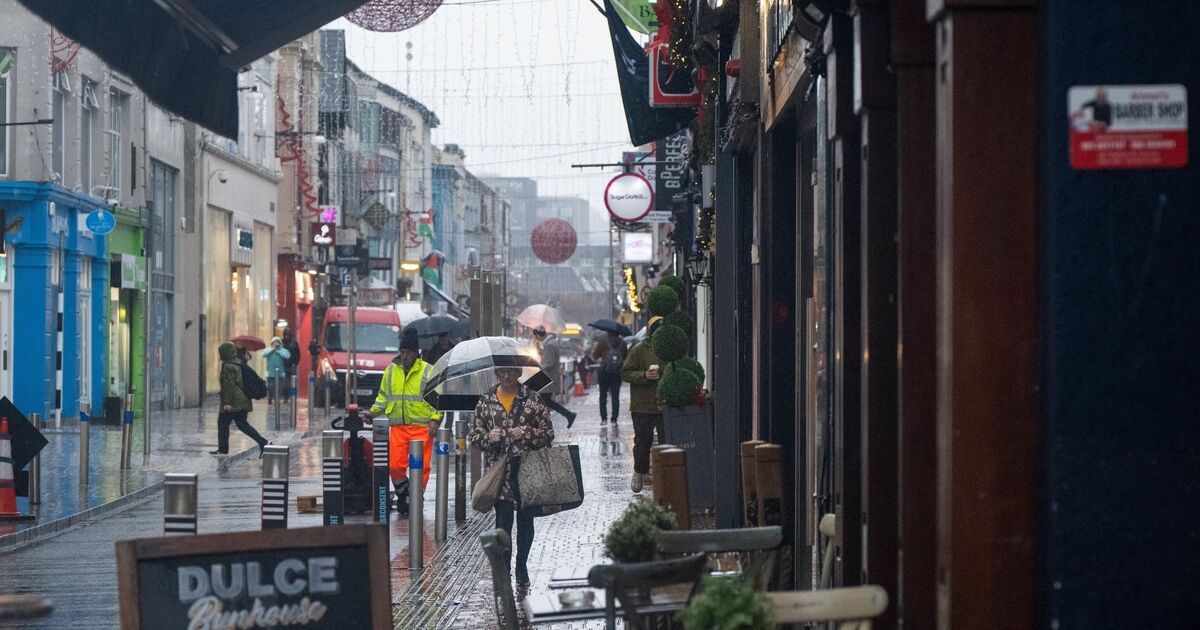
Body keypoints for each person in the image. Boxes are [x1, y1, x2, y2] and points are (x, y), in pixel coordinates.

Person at [467, 366, 555, 587]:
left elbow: (548, 434)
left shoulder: (533, 399)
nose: (506, 377)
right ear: (497, 374)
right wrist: (489, 437)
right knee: (503, 523)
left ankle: (521, 565)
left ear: (518, 373)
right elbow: (474, 437)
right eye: (502, 372)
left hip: (527, 471)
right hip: (500, 474)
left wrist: (525, 433)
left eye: (511, 372)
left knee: (526, 522)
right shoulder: (486, 400)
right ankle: (504, 570)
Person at [363, 328, 442, 516]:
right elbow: (383, 397)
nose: (405, 356)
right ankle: (405, 493)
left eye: (408, 353)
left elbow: (438, 398)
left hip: (421, 428)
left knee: (421, 468)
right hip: (398, 427)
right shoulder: (391, 372)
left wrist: (435, 419)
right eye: (403, 352)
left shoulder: (428, 371)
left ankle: (413, 498)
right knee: (395, 466)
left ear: (416, 353)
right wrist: (373, 413)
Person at [621, 316, 664, 493]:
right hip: (642, 404)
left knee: (667, 440)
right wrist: (644, 376)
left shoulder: (669, 350)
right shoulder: (638, 350)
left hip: (664, 403)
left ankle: (666, 474)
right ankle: (639, 471)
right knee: (642, 441)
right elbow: (625, 372)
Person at [212, 341, 269, 456]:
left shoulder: (228, 365)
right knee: (242, 424)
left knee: (222, 423)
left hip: (234, 401)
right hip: (243, 399)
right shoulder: (239, 363)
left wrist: (227, 402)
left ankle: (223, 449)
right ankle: (263, 442)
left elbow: (230, 385)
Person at [592, 331, 627, 425]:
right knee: (615, 396)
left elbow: (595, 355)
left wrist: (603, 355)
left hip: (604, 372)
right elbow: (625, 357)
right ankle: (614, 419)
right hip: (617, 373)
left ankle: (604, 418)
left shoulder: (603, 341)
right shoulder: (623, 342)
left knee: (603, 395)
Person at [532, 326, 561, 396]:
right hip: (551, 379)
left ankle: (562, 408)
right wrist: (539, 350)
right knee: (548, 403)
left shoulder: (549, 345)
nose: (536, 339)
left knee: (547, 402)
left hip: (549, 379)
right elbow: (548, 356)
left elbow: (548, 364)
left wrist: (537, 368)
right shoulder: (551, 343)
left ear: (539, 335)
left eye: (536, 336)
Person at [262, 337, 291, 404]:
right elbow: (264, 354)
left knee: (282, 386)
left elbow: (287, 356)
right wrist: (273, 349)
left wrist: (278, 352)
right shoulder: (268, 350)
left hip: (281, 372)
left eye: (278, 342)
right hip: (271, 372)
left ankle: (280, 398)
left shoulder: (283, 350)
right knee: (271, 386)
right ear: (272, 343)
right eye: (275, 342)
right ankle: (270, 397)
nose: (276, 343)